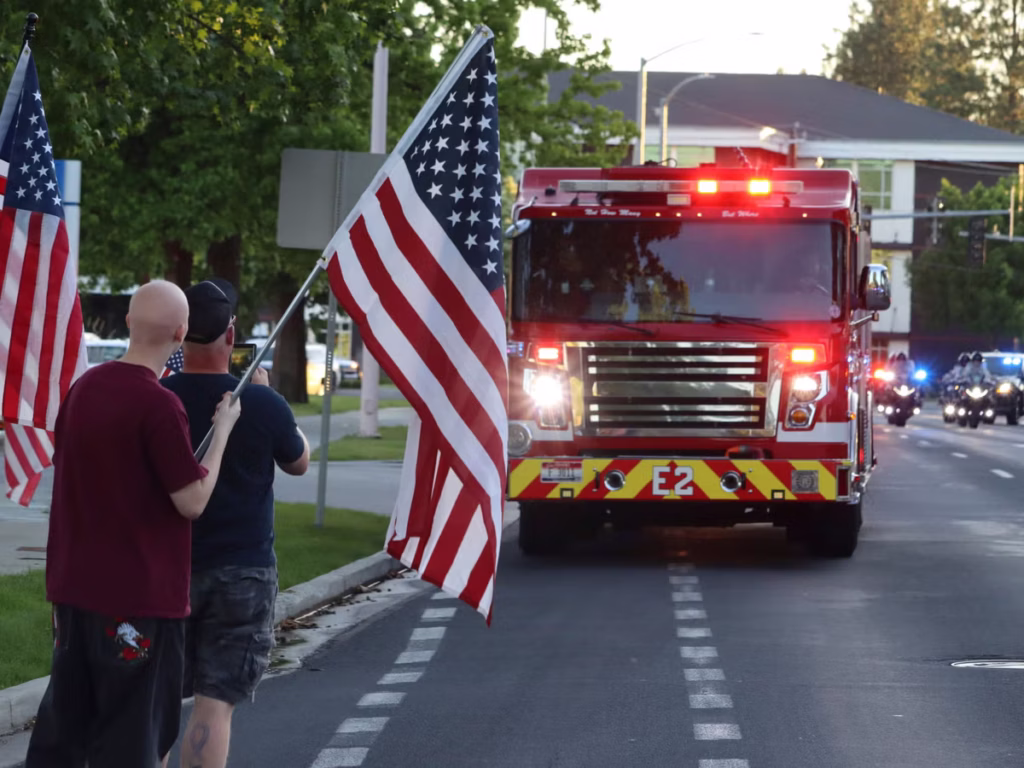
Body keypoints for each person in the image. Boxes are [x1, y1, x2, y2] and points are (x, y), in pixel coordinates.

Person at [26, 280, 242, 768]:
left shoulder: (83, 389)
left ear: (127, 322)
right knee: (132, 736)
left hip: (73, 594)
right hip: (138, 603)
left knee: (67, 728)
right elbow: (191, 501)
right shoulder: (159, 405)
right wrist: (223, 429)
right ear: (181, 332)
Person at [160, 279, 310, 768]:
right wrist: (268, 398)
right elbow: (298, 461)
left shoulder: (158, 398)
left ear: (181, 335)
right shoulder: (261, 402)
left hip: (167, 571)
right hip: (243, 573)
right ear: (232, 334)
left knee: (154, 700)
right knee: (215, 703)